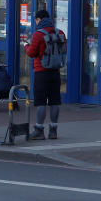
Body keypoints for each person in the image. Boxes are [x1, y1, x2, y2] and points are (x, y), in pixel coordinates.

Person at [25, 9, 67, 140]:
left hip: (41, 72)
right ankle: (53, 130)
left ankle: (39, 130)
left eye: (36, 20)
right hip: (55, 71)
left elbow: (31, 53)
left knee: (41, 102)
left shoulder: (38, 34)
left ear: (39, 20)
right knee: (55, 101)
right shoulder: (60, 33)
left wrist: (26, 45)